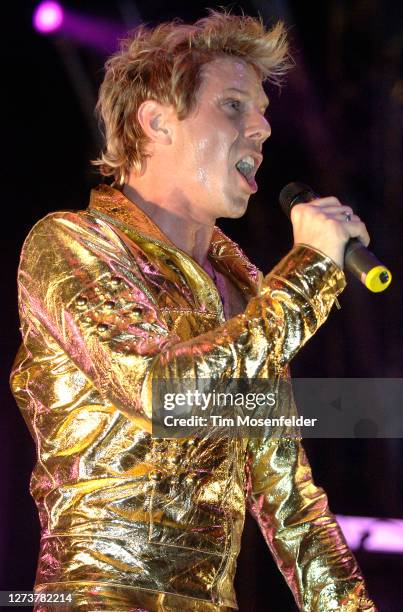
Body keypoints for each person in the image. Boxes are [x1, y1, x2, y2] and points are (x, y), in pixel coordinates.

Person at [10, 10, 376, 611]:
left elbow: (290, 503)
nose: (260, 128)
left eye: (262, 112)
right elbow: (165, 392)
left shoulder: (247, 291)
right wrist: (310, 271)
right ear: (156, 121)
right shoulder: (73, 244)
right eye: (233, 106)